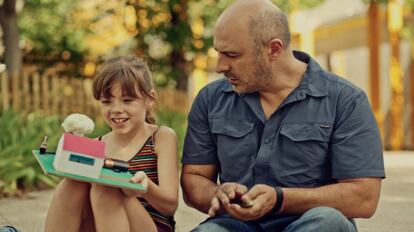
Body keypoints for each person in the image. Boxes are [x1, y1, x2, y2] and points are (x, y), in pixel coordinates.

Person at [181, 0, 385, 231]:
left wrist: (279, 199)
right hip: (235, 224)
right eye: (219, 53)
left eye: (232, 55)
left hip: (309, 223)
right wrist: (217, 194)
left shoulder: (345, 100)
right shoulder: (211, 99)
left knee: (329, 223)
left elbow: (364, 197)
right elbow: (194, 177)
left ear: (274, 49)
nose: (219, 66)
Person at [45, 55, 179, 232]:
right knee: (72, 184)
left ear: (150, 99)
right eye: (107, 101)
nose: (116, 109)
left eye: (128, 100)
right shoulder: (97, 145)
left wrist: (146, 187)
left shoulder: (161, 137)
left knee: (106, 189)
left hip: (150, 226)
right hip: (104, 224)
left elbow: (170, 206)